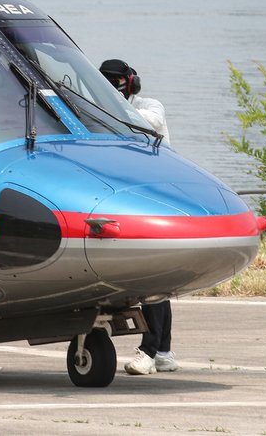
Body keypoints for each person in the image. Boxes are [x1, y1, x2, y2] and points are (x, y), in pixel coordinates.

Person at [99, 58, 176, 376]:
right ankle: (165, 352)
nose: (112, 86)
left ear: (128, 82)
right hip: (127, 197)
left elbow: (147, 122)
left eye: (114, 81)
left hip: (157, 197)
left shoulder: (148, 106)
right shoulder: (96, 109)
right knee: (157, 280)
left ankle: (149, 350)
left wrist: (101, 105)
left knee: (152, 277)